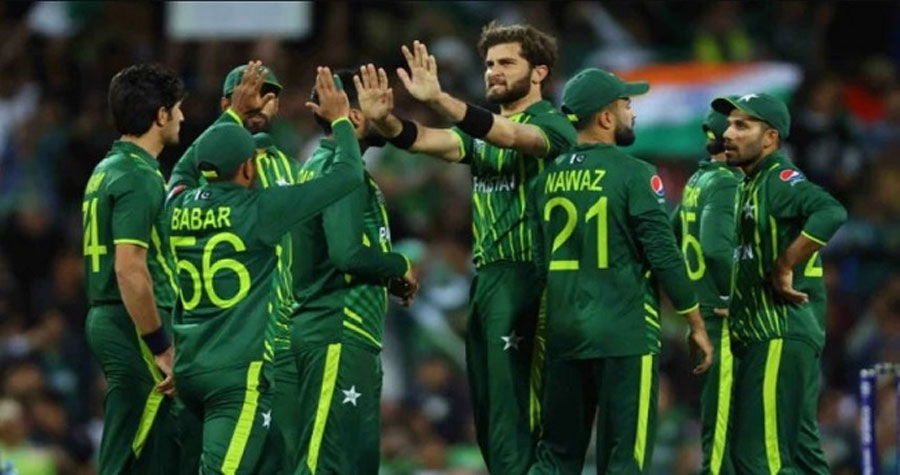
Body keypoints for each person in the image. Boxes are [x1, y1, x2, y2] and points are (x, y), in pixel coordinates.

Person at [358, 22, 576, 473]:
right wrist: (384, 120)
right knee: (492, 410)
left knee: (521, 406)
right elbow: (424, 140)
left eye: (506, 62)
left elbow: (511, 137)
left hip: (531, 279)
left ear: (539, 72)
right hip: (488, 279)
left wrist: (439, 99)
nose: (493, 71)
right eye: (490, 63)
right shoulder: (480, 136)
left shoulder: (553, 125)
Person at [165, 66, 364, 474]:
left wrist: (229, 117)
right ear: (248, 168)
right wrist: (342, 120)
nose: (260, 103)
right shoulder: (262, 208)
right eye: (249, 96)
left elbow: (182, 171)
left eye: (269, 95)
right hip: (243, 364)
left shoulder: (179, 203)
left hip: (200, 359)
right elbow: (347, 174)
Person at [526, 68, 713, 474]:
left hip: (564, 333)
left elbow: (541, 267)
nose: (633, 112)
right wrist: (695, 321)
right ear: (606, 117)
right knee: (624, 460)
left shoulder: (543, 181)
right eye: (627, 104)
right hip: (623, 332)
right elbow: (663, 254)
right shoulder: (635, 173)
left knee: (555, 458)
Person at [273, 70, 418, 474]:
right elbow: (346, 253)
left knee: (352, 463)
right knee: (327, 464)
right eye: (377, 105)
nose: (387, 113)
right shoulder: (340, 169)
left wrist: (387, 277)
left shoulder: (328, 165)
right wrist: (400, 265)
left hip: (343, 333)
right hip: (337, 330)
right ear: (352, 115)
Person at [711, 93, 847, 474]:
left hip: (778, 331)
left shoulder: (779, 178)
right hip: (771, 332)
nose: (728, 133)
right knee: (801, 453)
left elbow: (831, 211)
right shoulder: (750, 184)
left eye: (742, 125)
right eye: (729, 124)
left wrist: (787, 262)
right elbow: (751, 256)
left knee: (759, 456)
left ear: (770, 138)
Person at [81, 63, 184, 475]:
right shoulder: (138, 176)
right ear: (160, 115)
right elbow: (129, 268)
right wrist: (160, 345)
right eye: (177, 108)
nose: (182, 117)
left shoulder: (106, 169)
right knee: (132, 451)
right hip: (134, 322)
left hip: (116, 317)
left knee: (149, 445)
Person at [671, 106, 741, 475]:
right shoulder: (727, 182)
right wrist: (741, 296)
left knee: (722, 429)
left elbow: (669, 235)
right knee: (722, 438)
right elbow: (716, 251)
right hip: (721, 317)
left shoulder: (698, 180)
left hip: (701, 316)